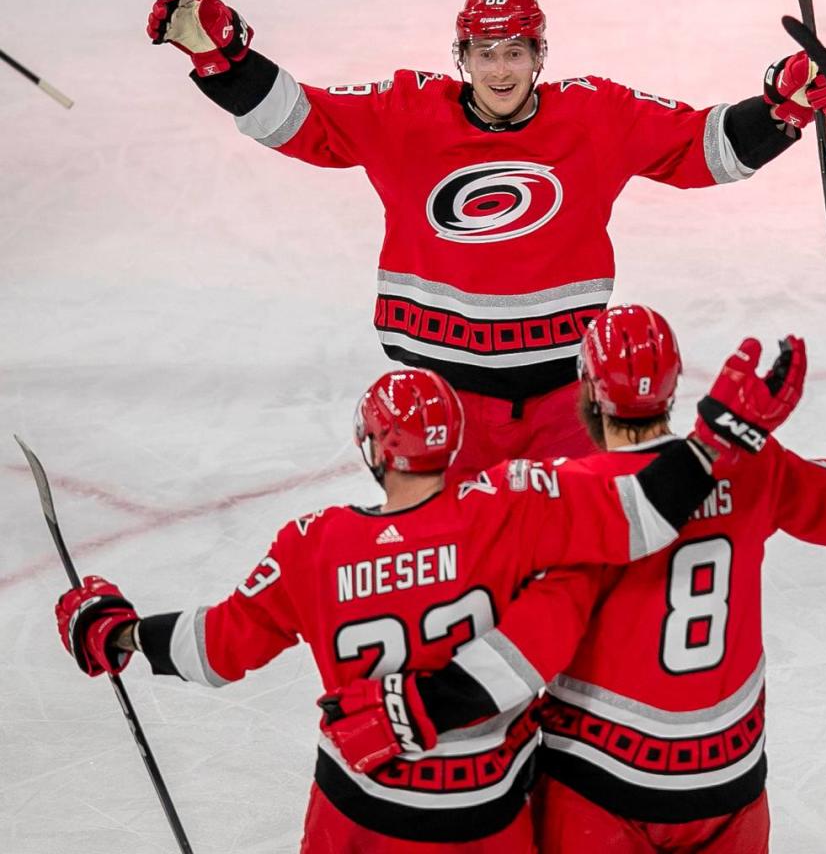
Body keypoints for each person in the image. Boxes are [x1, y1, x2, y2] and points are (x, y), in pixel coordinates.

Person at [55, 351, 766, 853]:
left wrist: (116, 635)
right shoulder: (510, 503)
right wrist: (712, 442)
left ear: (373, 449)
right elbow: (645, 513)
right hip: (483, 814)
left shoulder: (313, 544)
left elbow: (213, 650)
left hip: (359, 813)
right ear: (451, 444)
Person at [145, 0, 826, 479]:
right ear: (463, 58)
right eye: (486, 53)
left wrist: (784, 109)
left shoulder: (595, 114)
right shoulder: (407, 112)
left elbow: (701, 148)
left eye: (516, 52)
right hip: (440, 401)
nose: (501, 68)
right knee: (457, 582)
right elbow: (304, 122)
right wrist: (224, 60)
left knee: (589, 562)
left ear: (540, 56)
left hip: (567, 400)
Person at [320, 306, 826, 854]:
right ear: (674, 386)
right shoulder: (751, 464)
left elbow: (510, 626)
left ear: (586, 391)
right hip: (727, 781)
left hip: (598, 784)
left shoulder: (565, 494)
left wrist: (411, 707)